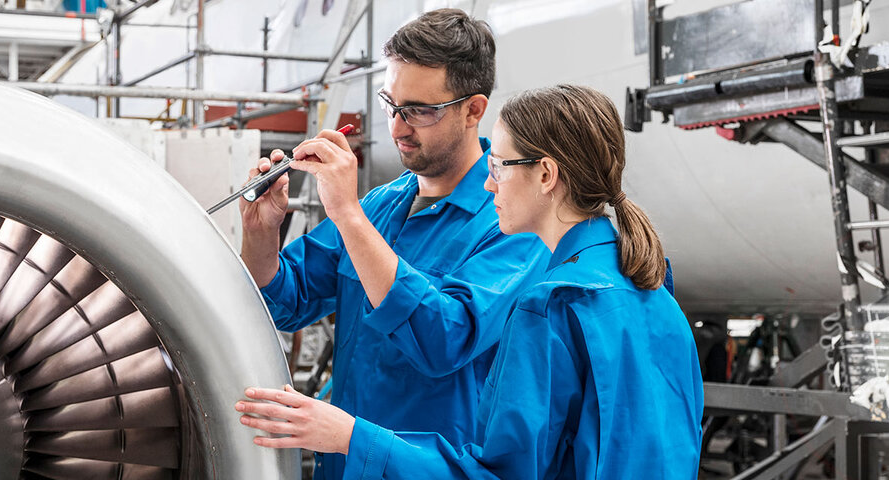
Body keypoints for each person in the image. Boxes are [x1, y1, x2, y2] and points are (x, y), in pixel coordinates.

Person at [236, 85, 705, 479]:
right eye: (391, 104)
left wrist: (349, 436)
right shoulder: (650, 288)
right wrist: (261, 234)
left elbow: (498, 473)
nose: (488, 183)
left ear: (546, 174)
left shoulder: (551, 306)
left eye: (499, 166)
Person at [237, 8, 549, 479]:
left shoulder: (511, 223)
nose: (398, 128)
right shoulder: (381, 206)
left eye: (419, 111)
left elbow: (443, 340)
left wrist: (345, 213)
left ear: (473, 110)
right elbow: (283, 300)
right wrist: (261, 232)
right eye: (391, 104)